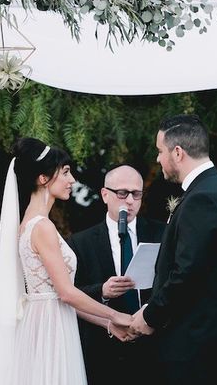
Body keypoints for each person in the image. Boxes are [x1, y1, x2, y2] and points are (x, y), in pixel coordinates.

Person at [0, 138, 132, 385]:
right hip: (49, 333)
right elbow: (66, 294)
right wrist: (119, 316)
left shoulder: (28, 225)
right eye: (65, 172)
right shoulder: (42, 227)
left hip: (46, 322)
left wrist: (106, 323)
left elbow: (58, 297)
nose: (72, 180)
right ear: (43, 179)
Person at [129, 114, 217, 385]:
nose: (158, 159)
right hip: (201, 334)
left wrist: (150, 314)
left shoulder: (204, 197)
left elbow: (187, 273)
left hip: (195, 339)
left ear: (177, 152)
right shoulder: (213, 188)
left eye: (160, 151)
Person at [68, 165, 166, 385]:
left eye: (136, 194)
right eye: (122, 193)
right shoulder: (80, 242)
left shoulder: (161, 233)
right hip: (103, 349)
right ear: (105, 195)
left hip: (153, 343)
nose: (130, 201)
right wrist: (102, 291)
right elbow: (68, 293)